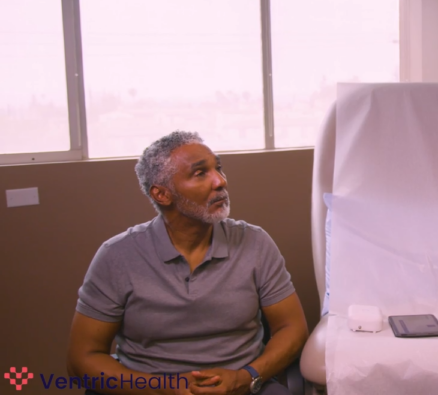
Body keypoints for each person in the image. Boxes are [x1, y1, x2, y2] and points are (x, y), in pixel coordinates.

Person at [67, 131, 308, 395]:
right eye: (200, 173)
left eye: (218, 168)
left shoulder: (255, 243)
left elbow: (292, 328)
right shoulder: (117, 256)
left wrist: (245, 377)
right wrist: (166, 388)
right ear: (162, 194)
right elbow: (82, 359)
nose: (220, 181)